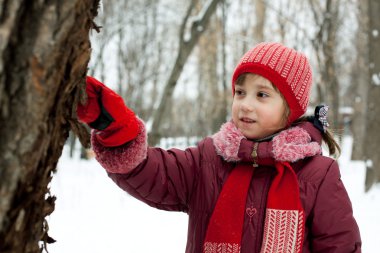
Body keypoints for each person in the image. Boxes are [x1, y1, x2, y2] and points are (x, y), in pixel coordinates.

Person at [77, 42, 361, 253]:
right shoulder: (209, 159)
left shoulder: (317, 175)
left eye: (262, 95)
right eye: (240, 92)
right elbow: (152, 172)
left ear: (290, 109)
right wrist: (118, 129)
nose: (246, 103)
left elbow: (340, 246)